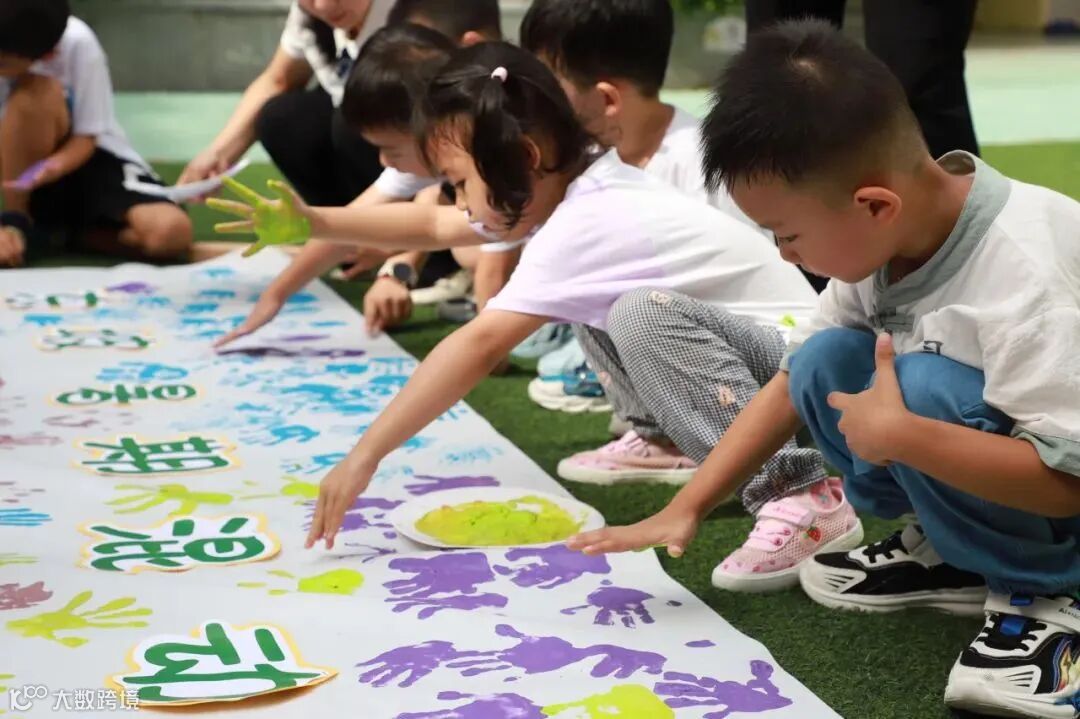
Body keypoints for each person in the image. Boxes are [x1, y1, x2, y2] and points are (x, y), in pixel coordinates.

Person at [208, 42, 860, 594]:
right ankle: (663, 438)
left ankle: (798, 494)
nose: (459, 203)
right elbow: (436, 227)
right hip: (760, 368)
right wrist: (315, 222)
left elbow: (478, 344)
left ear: (521, 158)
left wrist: (364, 455)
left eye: (459, 182)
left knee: (637, 310)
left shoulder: (588, 217)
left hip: (800, 384)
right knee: (605, 300)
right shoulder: (575, 190)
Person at [569, 21, 1080, 718]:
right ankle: (957, 550)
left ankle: (1048, 591)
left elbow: (1067, 480)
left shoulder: (1024, 272)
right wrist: (688, 505)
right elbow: (790, 383)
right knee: (823, 360)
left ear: (874, 205)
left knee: (917, 387)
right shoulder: (887, 241)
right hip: (991, 447)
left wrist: (906, 437)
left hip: (1060, 487)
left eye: (789, 235)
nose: (785, 254)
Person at [215, 1, 505, 346]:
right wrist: (277, 292)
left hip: (536, 249)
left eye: (391, 149)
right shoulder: (445, 143)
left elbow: (471, 247)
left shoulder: (501, 159)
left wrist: (492, 346)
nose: (383, 161)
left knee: (472, 248)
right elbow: (426, 223)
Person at [0, 0, 192, 267]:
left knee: (170, 234)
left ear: (48, 55)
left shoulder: (77, 41)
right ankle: (19, 222)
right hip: (14, 177)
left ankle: (60, 234)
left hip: (80, 165)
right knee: (32, 99)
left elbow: (86, 138)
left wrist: (51, 168)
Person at [178, 0, 394, 210]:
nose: (323, 6)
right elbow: (279, 80)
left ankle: (378, 225)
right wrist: (218, 155)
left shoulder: (408, 17)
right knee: (282, 118)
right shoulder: (309, 16)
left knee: (350, 123)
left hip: (404, 156)